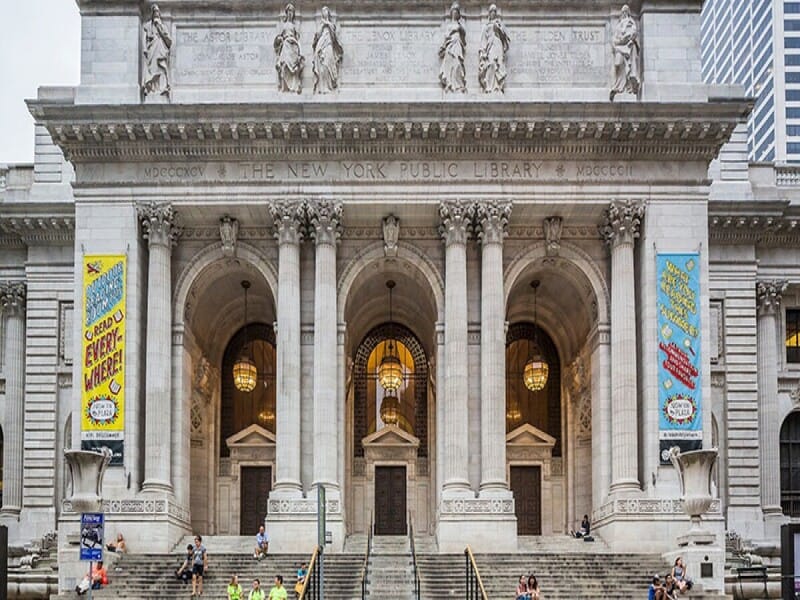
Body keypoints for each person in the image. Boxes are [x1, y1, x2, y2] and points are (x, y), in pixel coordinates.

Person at [609, 4, 640, 100]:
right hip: (619, 47)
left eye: (626, 11)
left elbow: (633, 34)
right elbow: (615, 38)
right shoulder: (618, 25)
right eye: (623, 11)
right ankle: (618, 86)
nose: (624, 13)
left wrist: (628, 39)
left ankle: (627, 87)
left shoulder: (631, 23)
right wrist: (617, 41)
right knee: (618, 64)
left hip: (628, 48)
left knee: (626, 66)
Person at [142, 4, 173, 97]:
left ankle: (163, 86)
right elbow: (144, 39)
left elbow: (169, 40)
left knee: (161, 66)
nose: (156, 14)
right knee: (152, 68)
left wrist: (158, 25)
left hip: (160, 47)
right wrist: (144, 48)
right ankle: (151, 87)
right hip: (151, 49)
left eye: (157, 12)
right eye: (154, 12)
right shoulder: (147, 26)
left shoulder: (162, 26)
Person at [478, 4, 510, 93]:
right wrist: (482, 52)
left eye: (494, 12)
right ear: (489, 13)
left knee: (499, 63)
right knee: (491, 63)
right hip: (490, 46)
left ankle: (497, 86)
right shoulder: (486, 26)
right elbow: (483, 40)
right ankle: (490, 86)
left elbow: (505, 37)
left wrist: (499, 29)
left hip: (498, 45)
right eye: (491, 11)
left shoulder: (499, 24)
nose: (493, 13)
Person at [274, 3, 304, 93]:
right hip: (286, 45)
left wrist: (300, 52)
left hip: (293, 46)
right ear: (286, 13)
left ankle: (293, 86)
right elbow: (278, 38)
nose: (290, 13)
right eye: (289, 11)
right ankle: (284, 87)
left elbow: (298, 39)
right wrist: (279, 39)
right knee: (284, 64)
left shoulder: (294, 26)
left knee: (294, 67)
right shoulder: (283, 25)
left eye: (292, 11)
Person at [312, 6, 343, 94]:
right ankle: (322, 87)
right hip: (321, 46)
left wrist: (328, 24)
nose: (325, 13)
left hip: (329, 45)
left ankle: (329, 86)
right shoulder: (320, 24)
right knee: (322, 67)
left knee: (328, 64)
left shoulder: (331, 25)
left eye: (326, 11)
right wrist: (323, 25)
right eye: (323, 12)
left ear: (328, 13)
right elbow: (317, 35)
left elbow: (333, 36)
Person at [439, 2, 467, 92]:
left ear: (458, 14)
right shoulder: (449, 26)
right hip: (450, 45)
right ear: (451, 13)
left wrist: (459, 28)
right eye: (453, 11)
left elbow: (464, 36)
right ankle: (449, 83)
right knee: (449, 63)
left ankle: (458, 85)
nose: (455, 13)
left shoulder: (460, 25)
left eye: (457, 11)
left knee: (457, 63)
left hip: (457, 44)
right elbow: (446, 36)